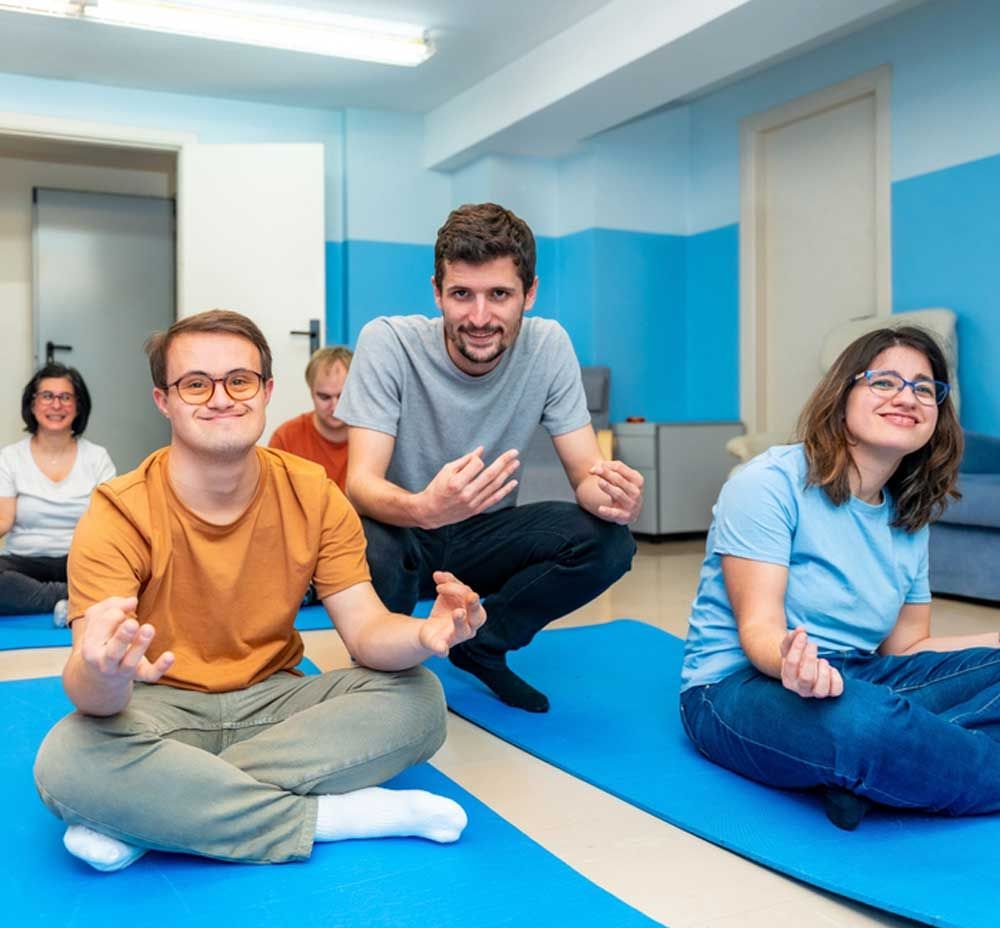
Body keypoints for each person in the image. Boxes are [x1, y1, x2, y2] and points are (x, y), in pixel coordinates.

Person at [33, 310, 485, 873]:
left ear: (267, 390)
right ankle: (330, 818)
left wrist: (425, 632)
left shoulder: (314, 493)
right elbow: (90, 688)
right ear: (163, 400)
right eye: (195, 384)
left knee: (418, 698)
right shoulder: (118, 510)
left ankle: (153, 811)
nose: (220, 397)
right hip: (156, 709)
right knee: (67, 759)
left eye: (239, 380)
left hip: (277, 703)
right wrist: (103, 672)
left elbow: (368, 633)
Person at [679, 325, 1000, 830]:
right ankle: (893, 765)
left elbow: (907, 648)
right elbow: (760, 632)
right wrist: (793, 665)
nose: (907, 397)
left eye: (923, 388)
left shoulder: (908, 514)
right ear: (842, 395)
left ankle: (874, 775)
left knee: (879, 712)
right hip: (743, 687)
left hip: (860, 676)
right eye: (885, 382)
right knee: (866, 724)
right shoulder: (767, 483)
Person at [336, 203, 643, 714]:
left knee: (609, 543)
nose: (480, 317)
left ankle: (484, 643)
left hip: (485, 533)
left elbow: (585, 476)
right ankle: (386, 673)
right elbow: (361, 485)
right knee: (371, 542)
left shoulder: (549, 346)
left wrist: (612, 498)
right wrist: (424, 508)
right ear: (437, 291)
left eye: (499, 294)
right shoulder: (386, 341)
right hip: (403, 526)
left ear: (530, 293)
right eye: (462, 294)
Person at [0, 364, 115, 623]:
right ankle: (71, 598)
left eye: (65, 397)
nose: (56, 405)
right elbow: (3, 520)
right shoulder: (10, 457)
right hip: (24, 562)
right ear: (32, 405)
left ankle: (59, 596)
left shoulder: (97, 458)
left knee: (130, 575)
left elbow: (109, 523)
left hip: (80, 559)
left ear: (78, 406)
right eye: (47, 396)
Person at [269, 346, 353, 492]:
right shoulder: (286, 438)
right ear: (311, 392)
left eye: (342, 396)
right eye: (324, 397)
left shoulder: (375, 438)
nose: (335, 406)